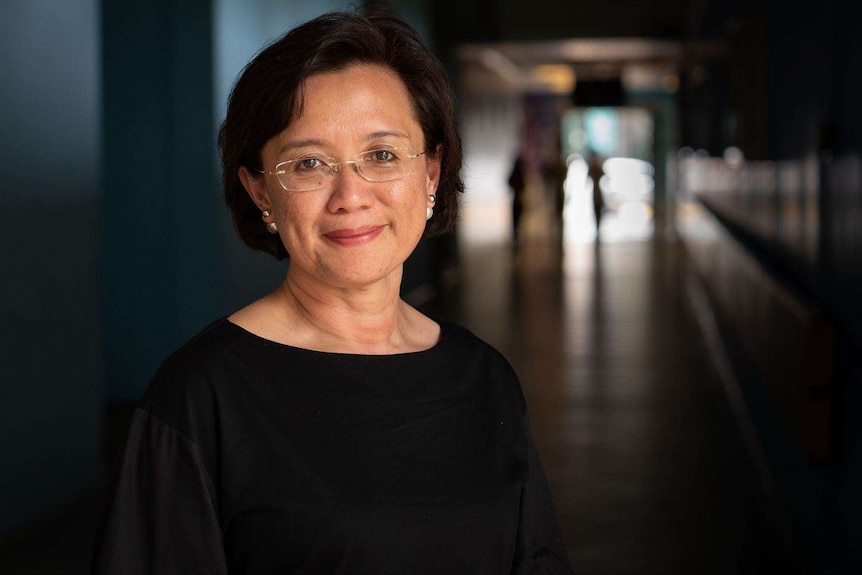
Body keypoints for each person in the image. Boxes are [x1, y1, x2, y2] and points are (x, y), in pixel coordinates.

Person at [91, 9, 571, 574]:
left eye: (383, 155)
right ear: (260, 190)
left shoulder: (484, 379)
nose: (350, 196)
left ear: (432, 175)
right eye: (309, 163)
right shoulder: (200, 397)